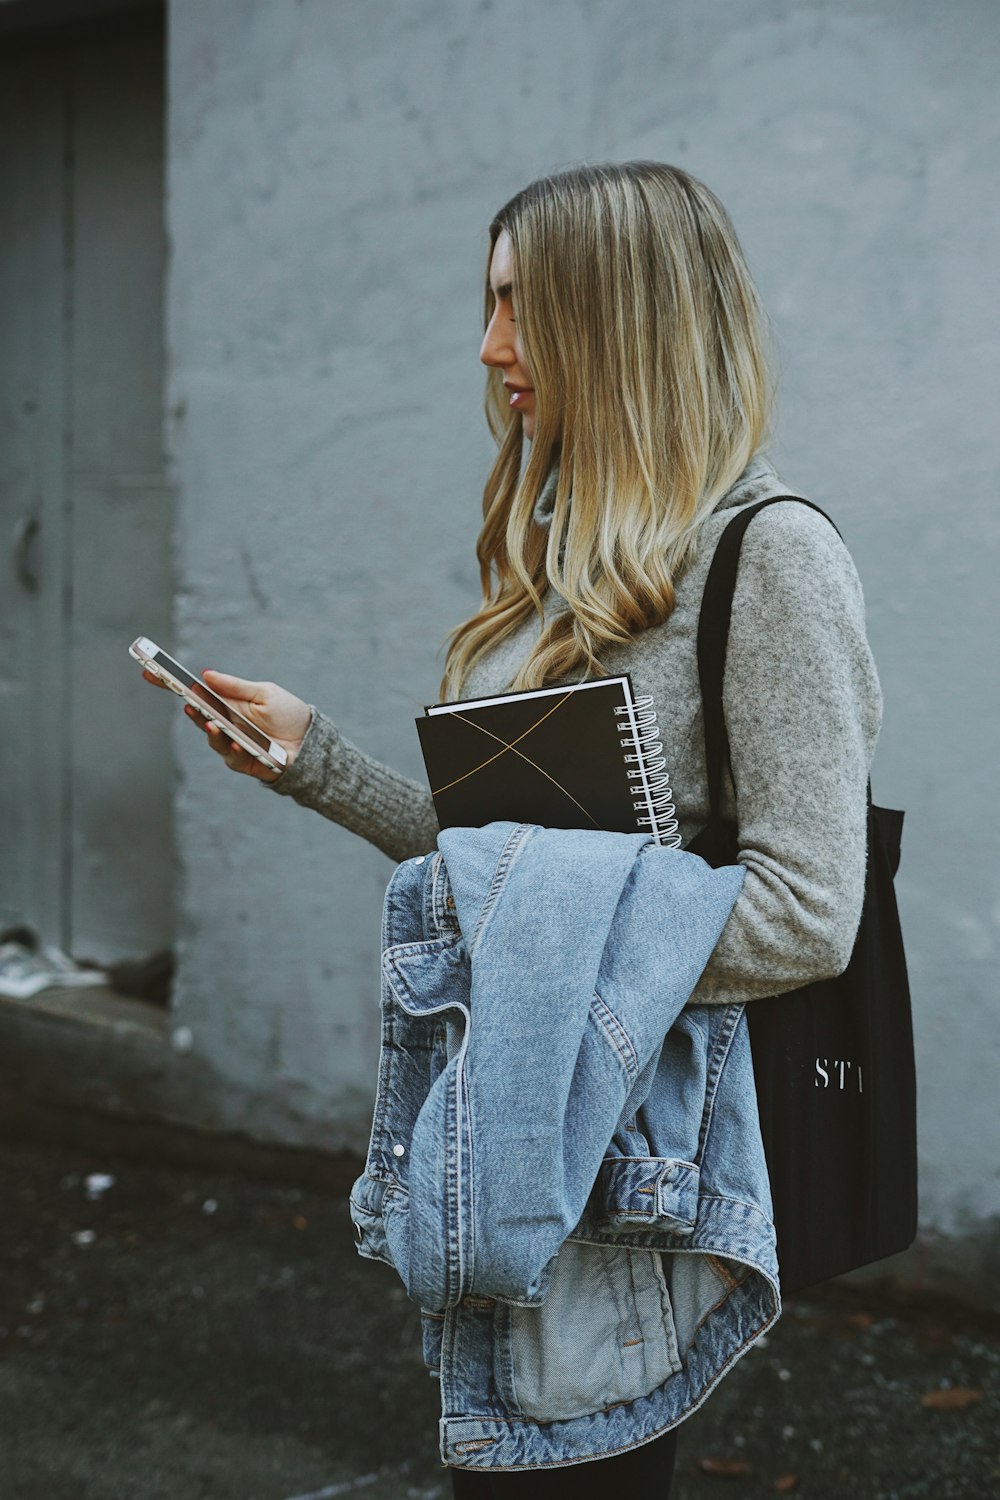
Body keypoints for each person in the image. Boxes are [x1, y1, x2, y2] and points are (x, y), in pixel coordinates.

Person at [144, 162, 881, 1494]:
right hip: (532, 1121)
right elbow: (506, 873)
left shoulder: (770, 560)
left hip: (646, 1162)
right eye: (488, 306)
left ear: (631, 320)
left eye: (524, 310)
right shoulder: (573, 553)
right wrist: (323, 768)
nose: (489, 350)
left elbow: (807, 912)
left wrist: (550, 968)